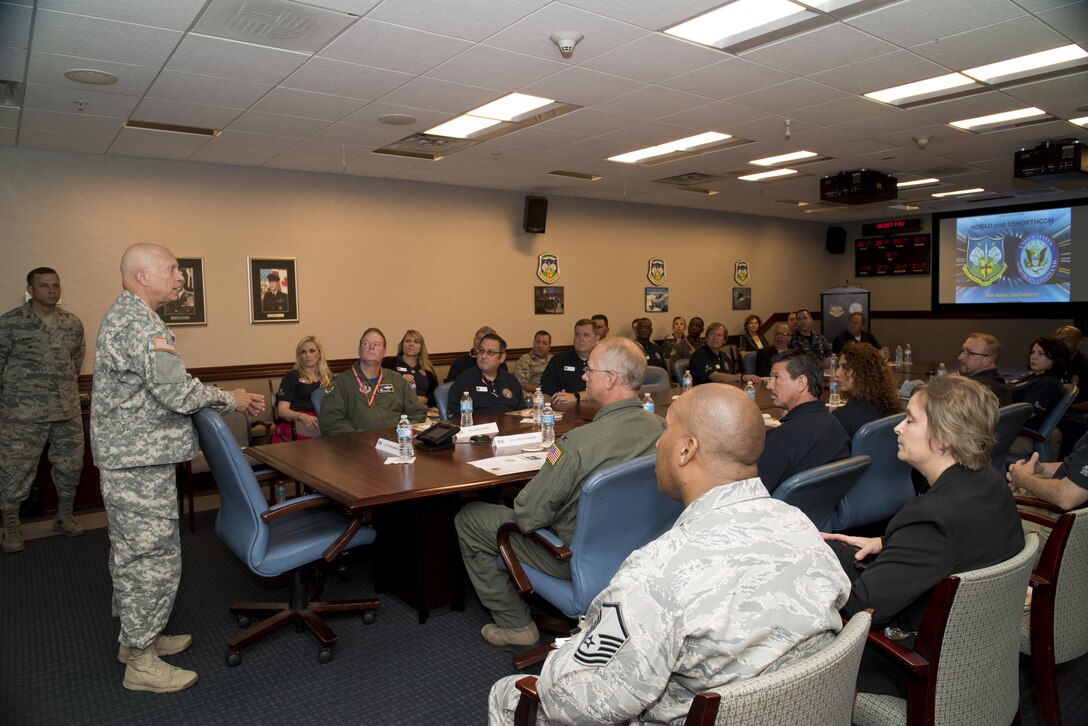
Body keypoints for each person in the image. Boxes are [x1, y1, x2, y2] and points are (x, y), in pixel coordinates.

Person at [487, 384, 850, 725]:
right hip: (803, 710)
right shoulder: (799, 525)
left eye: (666, 432)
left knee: (508, 694)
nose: (659, 442)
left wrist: (560, 664)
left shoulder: (656, 573)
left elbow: (578, 700)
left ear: (686, 450)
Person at [92, 243, 264, 693]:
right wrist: (234, 399)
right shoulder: (140, 323)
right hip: (138, 464)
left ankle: (137, 641)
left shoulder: (130, 317)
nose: (179, 276)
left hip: (132, 460)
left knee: (133, 555)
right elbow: (177, 393)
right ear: (142, 276)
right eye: (171, 269)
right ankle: (142, 662)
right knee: (152, 559)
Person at [455, 338, 663, 648]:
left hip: (569, 557)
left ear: (610, 379)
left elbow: (528, 515)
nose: (583, 376)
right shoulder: (662, 428)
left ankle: (515, 625)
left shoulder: (576, 444)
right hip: (639, 551)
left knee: (471, 517)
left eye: (588, 370)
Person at [823, 376, 1023, 698]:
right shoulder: (989, 482)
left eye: (910, 420)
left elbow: (862, 606)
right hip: (977, 649)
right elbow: (959, 542)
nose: (897, 428)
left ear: (943, 437)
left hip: (917, 663)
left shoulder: (930, 516)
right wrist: (886, 544)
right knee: (838, 549)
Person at [1, 267, 86, 553]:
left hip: (66, 411)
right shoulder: (10, 324)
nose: (51, 291)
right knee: (14, 471)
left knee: (71, 467)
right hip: (22, 415)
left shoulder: (72, 324)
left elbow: (76, 362)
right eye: (44, 286)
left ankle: (64, 517)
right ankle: (11, 528)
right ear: (30, 289)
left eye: (55, 285)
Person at [758, 349, 849, 493]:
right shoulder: (835, 425)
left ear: (801, 383)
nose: (769, 385)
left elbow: (753, 493)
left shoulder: (782, 438)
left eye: (777, 377)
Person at [318, 328, 427, 436]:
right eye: (366, 343)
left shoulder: (397, 380)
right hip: (356, 445)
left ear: (384, 352)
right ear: (359, 350)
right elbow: (330, 421)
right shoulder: (341, 382)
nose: (371, 347)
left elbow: (418, 412)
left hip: (395, 442)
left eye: (377, 344)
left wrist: (402, 433)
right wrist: (361, 437)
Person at [1009, 336, 1069, 457]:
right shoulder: (1035, 377)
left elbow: (1026, 413)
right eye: (1033, 352)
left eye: (1041, 354)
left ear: (1055, 359)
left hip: (1021, 435)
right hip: (1010, 430)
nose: (1033, 357)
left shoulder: (1049, 384)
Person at [833, 342, 901, 438]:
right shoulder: (889, 406)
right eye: (838, 366)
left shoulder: (843, 417)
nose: (837, 373)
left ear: (862, 372)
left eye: (845, 367)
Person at [1008, 430, 1088, 511]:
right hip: (1068, 511)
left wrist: (1021, 478)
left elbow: (1067, 498)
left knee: (1002, 507)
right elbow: (1077, 470)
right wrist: (1042, 470)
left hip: (1070, 519)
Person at [447, 334, 524, 415]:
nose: (483, 356)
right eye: (481, 351)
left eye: (490, 352)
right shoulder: (463, 381)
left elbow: (522, 413)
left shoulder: (511, 381)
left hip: (510, 426)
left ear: (502, 358)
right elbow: (455, 418)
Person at [274, 335, 332, 441]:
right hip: (298, 421)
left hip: (324, 421)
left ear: (319, 354)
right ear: (299, 356)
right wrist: (302, 416)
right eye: (303, 352)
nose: (307, 355)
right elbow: (282, 411)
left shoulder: (329, 378)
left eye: (312, 351)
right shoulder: (291, 377)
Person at [539, 319, 599, 405]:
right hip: (565, 412)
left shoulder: (604, 361)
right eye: (577, 335)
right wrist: (557, 401)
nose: (580, 339)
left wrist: (575, 397)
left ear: (597, 338)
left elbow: (607, 393)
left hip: (598, 413)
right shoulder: (558, 360)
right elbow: (544, 394)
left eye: (586, 335)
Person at [688, 322, 760, 386]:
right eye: (712, 334)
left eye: (719, 335)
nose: (715, 338)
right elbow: (715, 377)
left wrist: (748, 378)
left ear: (724, 341)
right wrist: (742, 377)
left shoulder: (724, 355)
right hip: (703, 395)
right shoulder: (700, 355)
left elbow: (733, 374)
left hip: (723, 393)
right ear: (706, 338)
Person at [382, 329, 439, 407]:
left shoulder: (428, 369)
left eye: (416, 342)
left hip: (423, 410)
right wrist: (398, 380)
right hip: (396, 409)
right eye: (408, 341)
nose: (411, 344)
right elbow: (381, 388)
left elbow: (436, 394)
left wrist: (425, 399)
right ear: (402, 345)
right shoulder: (389, 363)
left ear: (421, 347)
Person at [955, 332, 1011, 406]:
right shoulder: (989, 383)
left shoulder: (983, 390)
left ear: (987, 360)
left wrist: (955, 384)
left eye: (969, 353)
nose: (960, 357)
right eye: (962, 351)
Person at [1055, 325, 1088, 413]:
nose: (1059, 345)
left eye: (1064, 341)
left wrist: (1065, 407)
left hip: (1075, 417)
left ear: (1078, 344)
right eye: (1057, 341)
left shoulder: (1085, 366)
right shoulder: (1055, 363)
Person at [514, 330, 552, 395]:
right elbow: (522, 384)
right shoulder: (524, 360)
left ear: (549, 347)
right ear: (533, 343)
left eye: (544, 343)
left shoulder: (554, 360)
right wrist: (540, 391)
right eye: (537, 342)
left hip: (553, 394)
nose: (540, 346)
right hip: (532, 396)